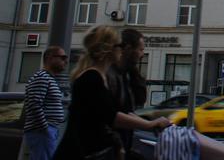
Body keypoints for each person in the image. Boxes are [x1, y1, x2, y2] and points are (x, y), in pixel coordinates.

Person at [54, 26, 169, 160]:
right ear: (108, 49)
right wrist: (149, 125)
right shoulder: (92, 78)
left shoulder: (100, 76)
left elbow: (118, 111)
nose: (122, 49)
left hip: (89, 150)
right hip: (81, 151)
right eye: (119, 45)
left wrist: (150, 123)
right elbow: (112, 116)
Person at [109, 29, 148, 159]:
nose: (142, 54)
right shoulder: (109, 75)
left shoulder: (126, 74)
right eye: (140, 50)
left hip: (121, 144)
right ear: (128, 49)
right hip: (110, 147)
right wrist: (149, 125)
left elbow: (139, 100)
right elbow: (111, 116)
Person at [24, 45, 68, 160]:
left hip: (47, 130)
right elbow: (34, 104)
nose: (66, 61)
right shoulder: (42, 77)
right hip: (42, 132)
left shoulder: (49, 78)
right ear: (50, 58)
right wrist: (45, 128)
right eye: (62, 57)